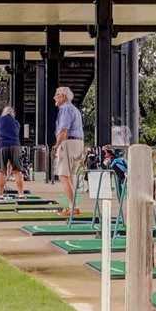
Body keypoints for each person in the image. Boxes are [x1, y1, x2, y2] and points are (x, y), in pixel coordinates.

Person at [50, 86, 87, 216]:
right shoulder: (74, 109)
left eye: (57, 95)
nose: (54, 97)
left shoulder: (65, 109)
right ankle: (73, 206)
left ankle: (73, 206)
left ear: (63, 97)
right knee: (71, 176)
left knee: (63, 175)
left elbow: (63, 130)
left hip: (69, 143)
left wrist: (55, 146)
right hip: (78, 143)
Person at [0, 106, 26, 197]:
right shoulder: (16, 123)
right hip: (15, 145)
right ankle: (21, 194)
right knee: (17, 170)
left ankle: (0, 195)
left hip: (2, 144)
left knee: (1, 171)